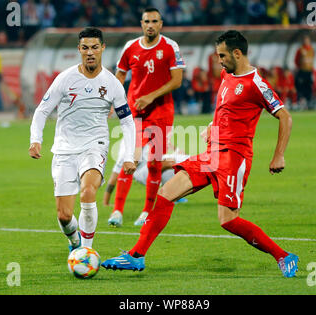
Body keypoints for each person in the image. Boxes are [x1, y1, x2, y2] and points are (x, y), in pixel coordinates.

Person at [102, 30, 299, 278]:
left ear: (237, 53)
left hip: (233, 158)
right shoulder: (228, 75)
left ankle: (283, 256)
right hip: (211, 155)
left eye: (222, 55)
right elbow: (225, 109)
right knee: (165, 195)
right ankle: (136, 256)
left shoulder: (256, 83)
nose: (219, 60)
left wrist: (278, 155)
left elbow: (285, 117)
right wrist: (211, 126)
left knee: (228, 220)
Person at [29, 27, 136, 252]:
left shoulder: (113, 83)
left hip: (94, 146)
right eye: (85, 48)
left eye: (95, 47)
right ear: (79, 49)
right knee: (64, 215)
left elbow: (126, 121)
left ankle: (86, 251)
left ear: (102, 49)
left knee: (88, 192)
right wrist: (35, 139)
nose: (90, 52)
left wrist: (128, 156)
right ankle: (74, 241)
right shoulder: (65, 79)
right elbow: (42, 111)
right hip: (65, 150)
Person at [107, 7, 185, 227]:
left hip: (161, 113)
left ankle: (146, 211)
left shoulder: (170, 46)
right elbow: (120, 74)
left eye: (154, 21)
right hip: (135, 112)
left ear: (161, 24)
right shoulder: (130, 47)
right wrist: (114, 100)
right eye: (146, 21)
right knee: (128, 159)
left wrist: (151, 96)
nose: (150, 25)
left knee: (154, 163)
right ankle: (117, 212)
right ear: (141, 24)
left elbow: (177, 80)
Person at [103, 143, 190, 225]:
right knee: (168, 162)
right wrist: (106, 201)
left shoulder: (152, 134)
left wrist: (176, 150)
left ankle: (172, 195)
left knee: (179, 160)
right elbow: (116, 174)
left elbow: (167, 146)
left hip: (153, 168)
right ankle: (125, 212)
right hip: (141, 172)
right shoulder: (128, 143)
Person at [294, 35, 315, 110]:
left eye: (308, 40)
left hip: (309, 72)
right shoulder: (300, 49)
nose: (306, 42)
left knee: (309, 87)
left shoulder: (312, 49)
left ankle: (309, 103)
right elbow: (296, 60)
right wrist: (299, 67)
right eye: (305, 40)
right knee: (301, 87)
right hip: (302, 71)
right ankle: (300, 102)